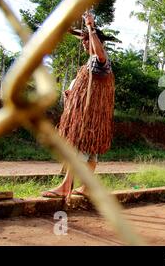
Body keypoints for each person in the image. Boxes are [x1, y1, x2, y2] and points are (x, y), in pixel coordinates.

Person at [42, 12, 115, 199]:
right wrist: (70, 29)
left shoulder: (100, 60)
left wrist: (91, 26)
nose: (84, 44)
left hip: (88, 117)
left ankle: (66, 186)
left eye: (87, 41)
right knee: (90, 155)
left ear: (96, 40)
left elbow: (98, 50)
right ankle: (87, 187)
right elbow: (84, 39)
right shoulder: (92, 62)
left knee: (77, 149)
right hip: (92, 116)